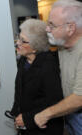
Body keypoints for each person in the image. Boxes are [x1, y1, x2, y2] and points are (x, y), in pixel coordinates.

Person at [34, 0, 82, 135]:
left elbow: (79, 98)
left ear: (70, 28)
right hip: (69, 112)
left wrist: (45, 114)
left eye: (52, 25)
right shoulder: (62, 44)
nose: (47, 29)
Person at [10, 19, 64, 135]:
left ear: (35, 47)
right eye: (19, 38)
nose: (17, 43)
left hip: (44, 129)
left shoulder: (48, 66)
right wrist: (16, 113)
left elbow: (55, 102)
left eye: (23, 41)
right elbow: (20, 91)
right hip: (25, 125)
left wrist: (27, 118)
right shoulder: (23, 60)